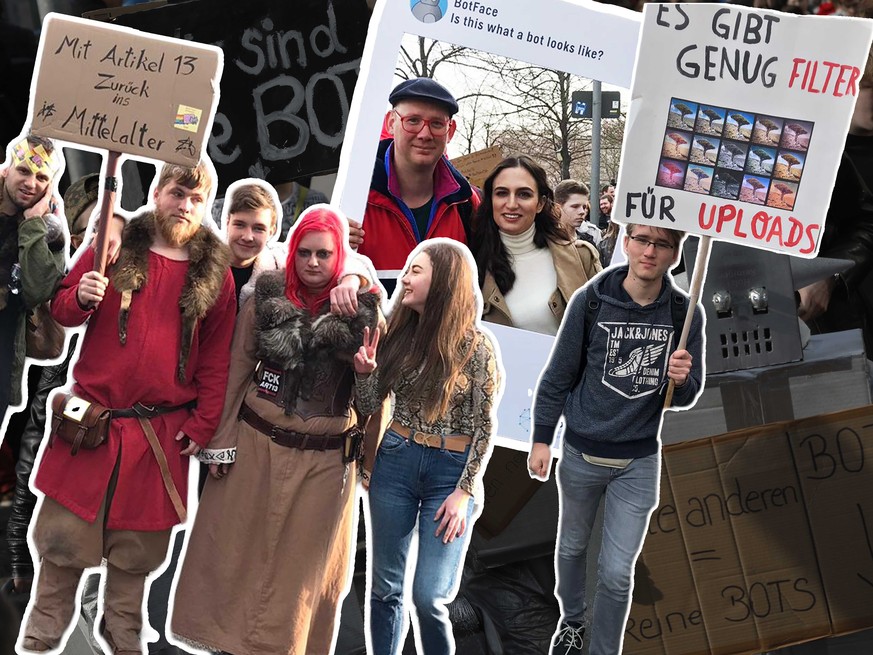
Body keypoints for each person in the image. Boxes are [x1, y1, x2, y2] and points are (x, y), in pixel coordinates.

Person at [20, 160, 237, 654]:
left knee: (135, 556)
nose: (184, 205)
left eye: (196, 199)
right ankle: (40, 638)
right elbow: (60, 309)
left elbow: (217, 357)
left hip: (160, 433)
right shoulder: (112, 245)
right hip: (93, 422)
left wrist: (203, 425)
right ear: (157, 192)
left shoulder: (216, 274)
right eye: (177, 192)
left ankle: (124, 640)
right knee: (62, 546)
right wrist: (83, 294)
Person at [171, 207, 381, 655]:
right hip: (253, 444)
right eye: (304, 252)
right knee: (231, 559)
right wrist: (221, 443)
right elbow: (237, 370)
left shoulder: (366, 313)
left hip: (324, 462)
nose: (312, 262)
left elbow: (374, 407)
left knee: (298, 578)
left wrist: (365, 374)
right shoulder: (266, 294)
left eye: (324, 254)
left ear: (339, 255)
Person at [527, 223, 704, 655]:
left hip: (639, 462)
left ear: (675, 254)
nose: (650, 251)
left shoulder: (685, 314)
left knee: (616, 573)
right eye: (642, 240)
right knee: (570, 548)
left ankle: (603, 650)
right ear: (625, 244)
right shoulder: (590, 302)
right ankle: (571, 622)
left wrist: (681, 381)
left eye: (662, 244)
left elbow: (686, 395)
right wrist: (541, 439)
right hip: (583, 454)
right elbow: (557, 378)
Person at [354, 239, 501, 655]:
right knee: (385, 589)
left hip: (451, 474)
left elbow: (484, 427)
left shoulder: (476, 346)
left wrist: (464, 492)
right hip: (396, 460)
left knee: (428, 597)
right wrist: (364, 374)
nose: (405, 277)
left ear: (443, 280)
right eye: (407, 269)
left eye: (416, 270)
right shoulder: (397, 333)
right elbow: (367, 408)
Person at [358, 77, 480, 294]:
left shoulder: (467, 203)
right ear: (391, 123)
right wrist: (332, 248)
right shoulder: (354, 197)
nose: (425, 134)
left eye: (436, 124)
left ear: (450, 131)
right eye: (413, 120)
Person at [797, 42, 873, 355]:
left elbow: (865, 221)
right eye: (867, 87)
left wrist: (830, 276)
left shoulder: (827, 152)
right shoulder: (819, 147)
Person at [472, 156, 601, 336]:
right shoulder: (470, 264)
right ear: (490, 200)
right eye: (501, 193)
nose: (511, 204)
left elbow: (604, 332)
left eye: (523, 194)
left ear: (540, 203)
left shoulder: (582, 257)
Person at [0, 135, 65, 433]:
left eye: (41, 176)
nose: (30, 183)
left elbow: (39, 290)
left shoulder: (48, 230)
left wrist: (31, 225)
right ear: (7, 170)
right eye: (24, 171)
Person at [554, 179, 600, 247]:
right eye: (575, 206)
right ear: (557, 208)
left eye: (584, 207)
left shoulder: (589, 241)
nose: (582, 212)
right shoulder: (544, 242)